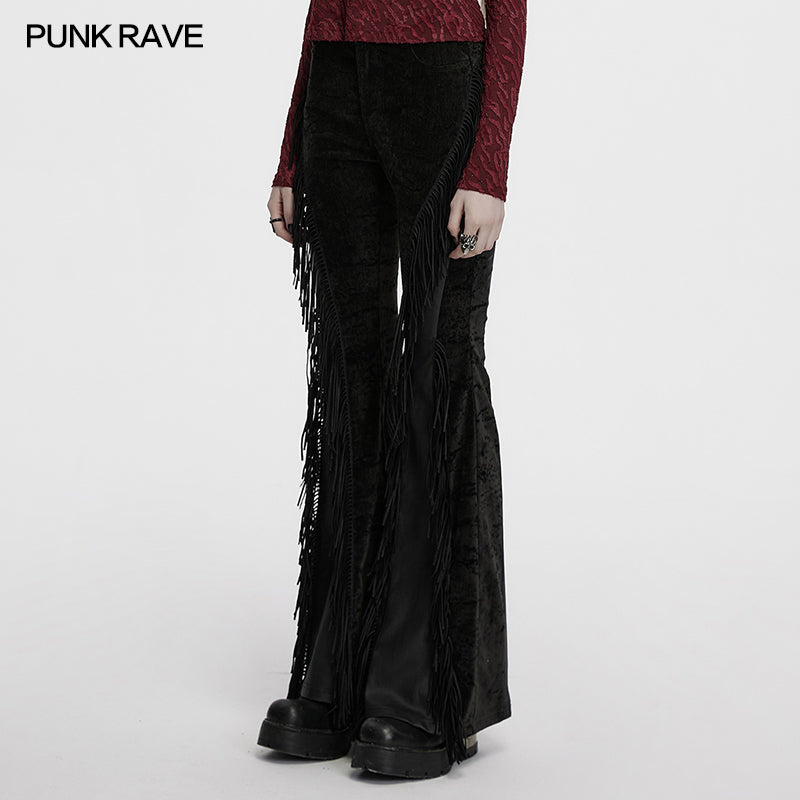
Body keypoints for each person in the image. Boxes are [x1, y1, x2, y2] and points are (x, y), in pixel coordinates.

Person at [258, 0, 526, 780]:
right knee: (352, 376)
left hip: (440, 78)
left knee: (439, 371)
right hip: (336, 84)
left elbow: (509, 9)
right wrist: (292, 152)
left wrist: (488, 166)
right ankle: (340, 669)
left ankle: (431, 687)